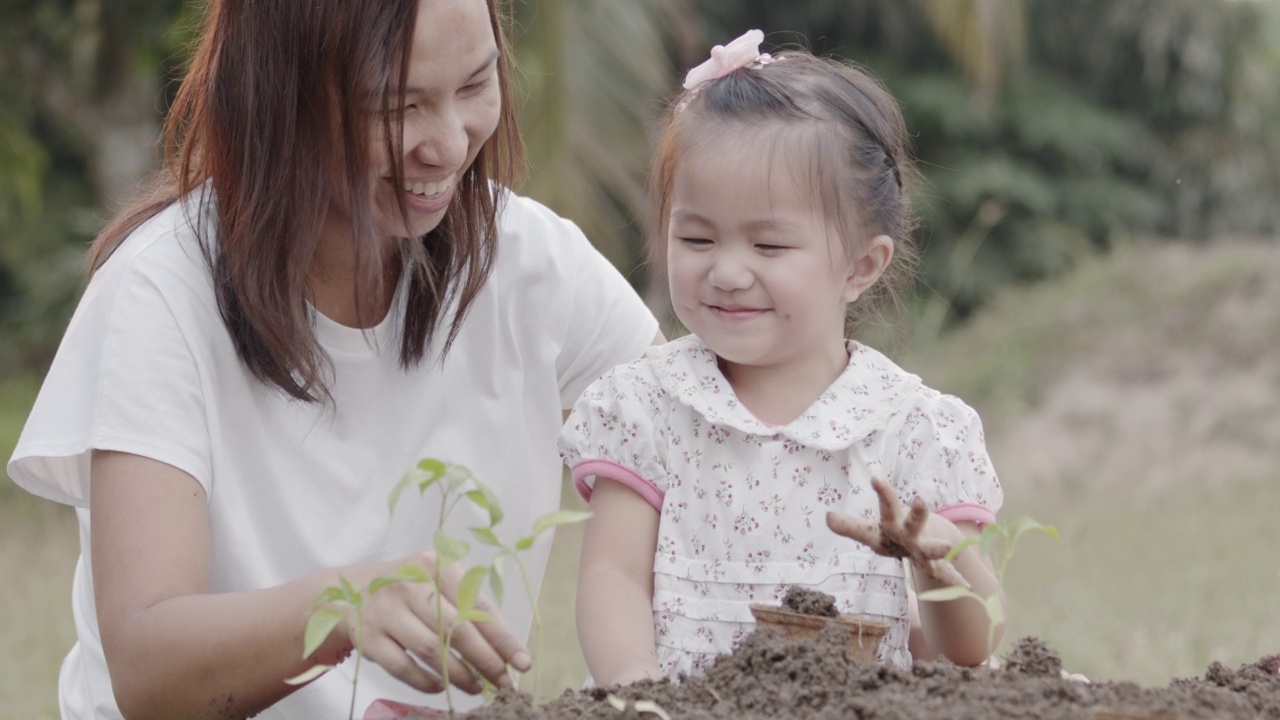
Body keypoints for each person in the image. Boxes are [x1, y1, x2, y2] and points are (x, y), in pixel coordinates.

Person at [7, 0, 660, 718]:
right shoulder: (160, 293)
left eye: (475, 85)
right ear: (277, 95)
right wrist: (346, 609)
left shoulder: (534, 266)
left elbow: (699, 446)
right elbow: (146, 665)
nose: (447, 143)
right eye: (397, 107)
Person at [558, 29, 1005, 686]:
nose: (728, 272)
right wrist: (639, 693)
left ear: (861, 265)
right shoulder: (648, 406)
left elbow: (969, 650)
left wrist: (939, 562)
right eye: (698, 237)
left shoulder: (914, 430)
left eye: (769, 247)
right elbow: (612, 576)